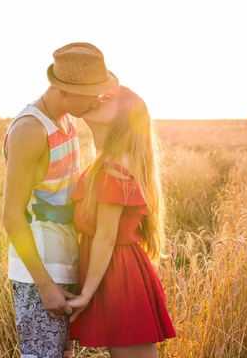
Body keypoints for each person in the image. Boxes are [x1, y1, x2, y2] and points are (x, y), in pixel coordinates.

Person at [1, 42, 119, 358]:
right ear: (63, 90)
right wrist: (45, 286)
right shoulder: (30, 129)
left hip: (64, 267)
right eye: (91, 93)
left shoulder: (66, 119)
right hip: (40, 274)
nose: (97, 100)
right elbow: (11, 216)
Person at [67, 85, 177, 357]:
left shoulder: (115, 164)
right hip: (115, 271)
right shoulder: (108, 160)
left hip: (118, 275)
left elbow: (106, 236)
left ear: (124, 117)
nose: (97, 99)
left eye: (108, 98)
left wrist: (85, 295)